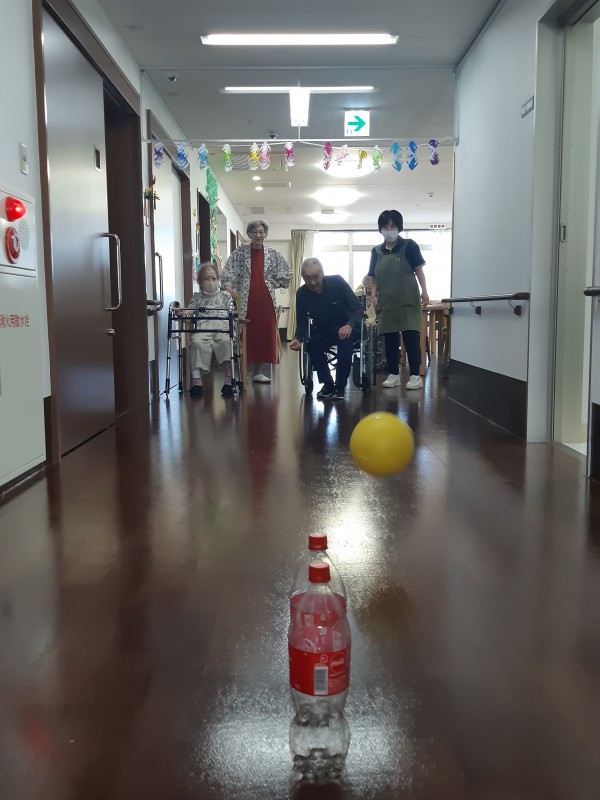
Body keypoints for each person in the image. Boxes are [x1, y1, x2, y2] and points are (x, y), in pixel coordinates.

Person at [221, 219, 291, 384]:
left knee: (265, 335)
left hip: (266, 301)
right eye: (255, 232)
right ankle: (242, 372)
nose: (258, 235)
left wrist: (277, 282)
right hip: (247, 300)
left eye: (261, 232)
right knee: (246, 335)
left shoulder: (272, 253)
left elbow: (287, 272)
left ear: (265, 234)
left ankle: (257, 372)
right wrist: (228, 286)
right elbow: (228, 271)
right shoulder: (240, 252)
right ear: (249, 234)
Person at [368, 209, 429, 390]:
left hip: (408, 300)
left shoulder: (409, 246)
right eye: (385, 226)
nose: (389, 230)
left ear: (399, 227)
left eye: (393, 226)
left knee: (410, 338)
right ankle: (393, 374)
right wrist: (373, 295)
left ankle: (415, 376)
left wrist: (425, 291)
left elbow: (419, 270)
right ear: (380, 229)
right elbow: (374, 277)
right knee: (390, 340)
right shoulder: (376, 251)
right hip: (387, 301)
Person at [289, 258, 363, 401]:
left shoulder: (337, 282)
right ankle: (328, 383)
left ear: (323, 273)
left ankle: (340, 387)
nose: (312, 282)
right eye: (307, 278)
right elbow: (302, 322)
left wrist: (349, 325)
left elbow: (358, 309)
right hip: (324, 330)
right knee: (312, 344)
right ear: (302, 277)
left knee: (344, 343)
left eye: (316, 277)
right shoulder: (302, 293)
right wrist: (297, 339)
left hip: (347, 329)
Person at [181, 262, 235, 398]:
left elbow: (232, 312)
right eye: (206, 278)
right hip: (203, 327)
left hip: (222, 326)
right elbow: (189, 311)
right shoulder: (197, 297)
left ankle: (228, 380)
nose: (211, 281)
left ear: (218, 279)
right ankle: (196, 381)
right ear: (200, 281)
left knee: (226, 342)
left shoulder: (225, 296)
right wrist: (182, 313)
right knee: (196, 343)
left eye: (213, 278)